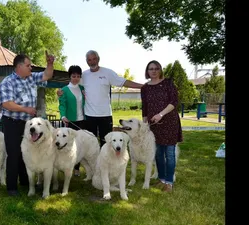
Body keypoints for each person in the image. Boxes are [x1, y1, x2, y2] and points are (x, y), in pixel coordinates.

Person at [58, 50, 144, 147]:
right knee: (91, 144)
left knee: (106, 143)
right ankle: (94, 162)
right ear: (87, 61)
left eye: (94, 59)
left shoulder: (108, 73)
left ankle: (106, 161)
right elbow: (73, 84)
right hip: (89, 116)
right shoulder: (84, 75)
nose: (92, 62)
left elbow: (124, 82)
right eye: (89, 60)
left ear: (98, 59)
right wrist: (60, 91)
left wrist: (143, 86)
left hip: (105, 115)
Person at [0, 51, 55, 196]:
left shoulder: (31, 77)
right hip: (12, 122)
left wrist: (50, 64)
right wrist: (25, 109)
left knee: (27, 152)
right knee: (13, 154)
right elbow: (6, 103)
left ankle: (25, 182)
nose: (31, 68)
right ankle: (11, 187)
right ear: (19, 66)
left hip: (27, 124)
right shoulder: (7, 82)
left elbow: (47, 75)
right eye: (28, 65)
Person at [141, 60, 183, 192]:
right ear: (147, 71)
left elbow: (174, 102)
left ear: (160, 70)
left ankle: (169, 183)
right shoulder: (145, 88)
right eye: (151, 69)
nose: (153, 71)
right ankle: (162, 179)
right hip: (154, 125)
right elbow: (145, 107)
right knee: (158, 153)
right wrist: (144, 123)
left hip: (170, 122)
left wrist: (161, 114)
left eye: (156, 68)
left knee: (169, 154)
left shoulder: (168, 83)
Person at [58, 65, 86, 176]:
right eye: (74, 76)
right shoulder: (64, 90)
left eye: (78, 76)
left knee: (80, 145)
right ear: (70, 76)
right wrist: (63, 116)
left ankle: (77, 168)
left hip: (83, 120)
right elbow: (62, 105)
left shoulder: (82, 89)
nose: (76, 78)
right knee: (69, 144)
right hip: (70, 122)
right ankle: (67, 166)